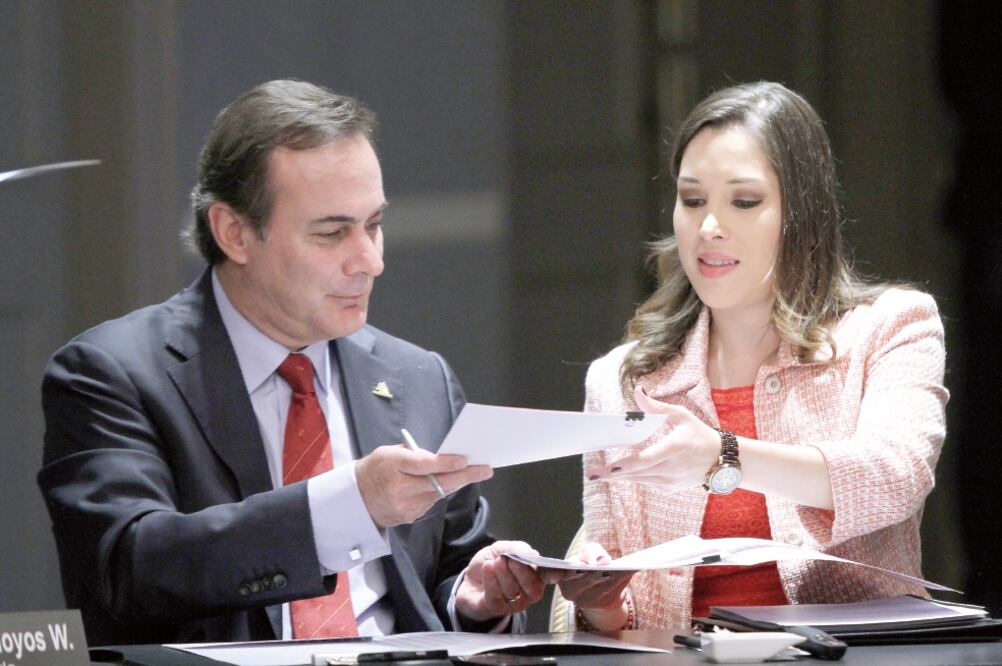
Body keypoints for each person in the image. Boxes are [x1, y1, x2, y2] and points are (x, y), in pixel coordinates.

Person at [37, 79, 546, 646]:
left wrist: (475, 599)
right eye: (332, 233)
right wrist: (348, 506)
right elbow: (130, 568)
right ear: (234, 233)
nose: (370, 261)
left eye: (374, 225)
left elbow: (445, 579)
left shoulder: (418, 377)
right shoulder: (112, 373)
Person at [556, 81, 948, 631]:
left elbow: (893, 476)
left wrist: (723, 454)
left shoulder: (892, 327)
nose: (709, 228)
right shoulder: (621, 379)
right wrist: (598, 600)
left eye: (743, 202)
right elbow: (622, 614)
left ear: (801, 214)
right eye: (692, 200)